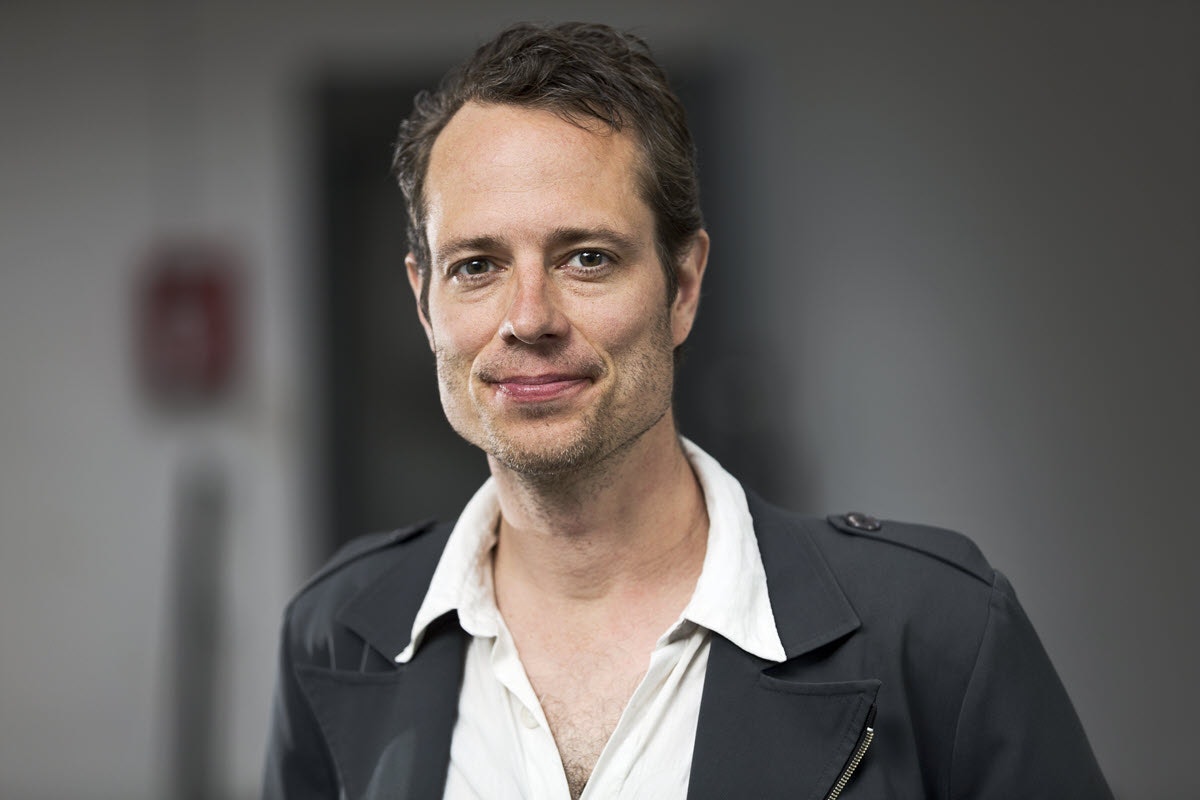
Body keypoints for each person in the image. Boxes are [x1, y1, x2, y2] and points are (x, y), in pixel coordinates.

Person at [263, 21, 1113, 800]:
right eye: (477, 266)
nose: (528, 318)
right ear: (424, 303)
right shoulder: (335, 635)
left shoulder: (936, 631)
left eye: (586, 258)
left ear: (683, 286)